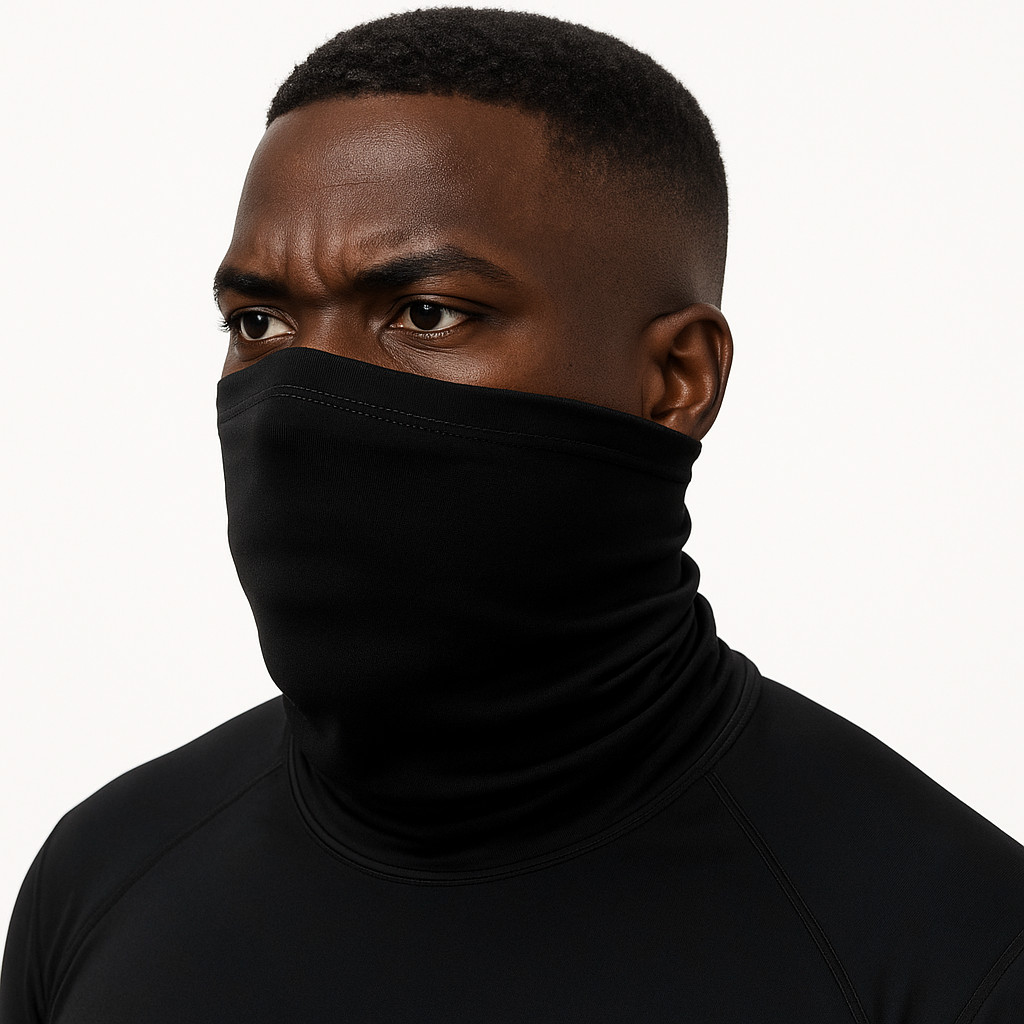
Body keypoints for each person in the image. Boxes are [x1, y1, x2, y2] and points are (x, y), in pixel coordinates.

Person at [2, 7, 1022, 1021]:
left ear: (676, 377)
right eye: (259, 322)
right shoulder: (101, 878)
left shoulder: (955, 951)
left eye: (427, 313)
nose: (302, 402)